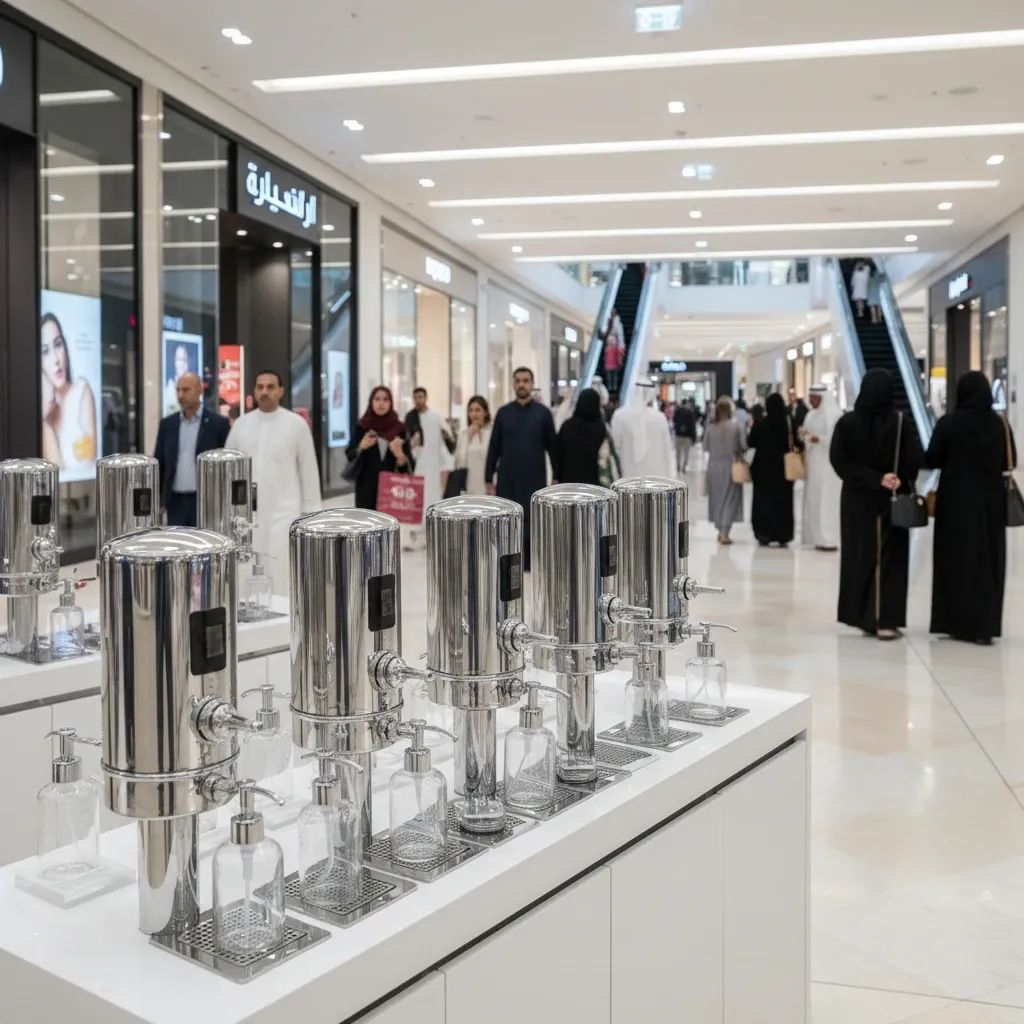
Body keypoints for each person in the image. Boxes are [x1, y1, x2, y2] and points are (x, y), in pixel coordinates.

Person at [830, 368, 923, 640]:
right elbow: (913, 459)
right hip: (889, 500)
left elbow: (840, 461)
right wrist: (895, 478)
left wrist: (871, 478)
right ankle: (886, 621)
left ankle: (861, 615)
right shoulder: (900, 422)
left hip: (856, 502)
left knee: (859, 555)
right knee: (890, 558)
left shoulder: (847, 423)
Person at [927, 371, 1017, 645]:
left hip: (954, 503)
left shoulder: (949, 423)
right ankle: (984, 626)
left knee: (954, 560)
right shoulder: (1000, 424)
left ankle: (954, 621)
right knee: (988, 561)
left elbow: (933, 458)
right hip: (990, 503)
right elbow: (1008, 462)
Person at [226, 370, 322, 594]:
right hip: (248, 514)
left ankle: (283, 619)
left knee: (281, 568)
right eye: (260, 387)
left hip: (285, 511)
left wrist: (311, 512)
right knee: (247, 569)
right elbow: (228, 468)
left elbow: (308, 469)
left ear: (281, 391)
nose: (264, 392)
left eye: (270, 387)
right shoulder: (241, 425)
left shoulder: (296, 424)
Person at [485, 367, 558, 571]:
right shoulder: (503, 413)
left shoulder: (543, 414)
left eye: (525, 381)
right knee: (506, 519)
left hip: (534, 476)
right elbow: (494, 447)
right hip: (507, 477)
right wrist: (488, 478)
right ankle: (507, 561)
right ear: (513, 384)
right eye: (518, 381)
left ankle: (530, 563)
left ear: (531, 383)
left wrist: (557, 476)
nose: (521, 384)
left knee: (531, 520)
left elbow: (553, 447)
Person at [153, 372, 230, 526]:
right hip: (175, 500)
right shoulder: (168, 425)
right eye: (178, 390)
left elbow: (226, 464)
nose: (181, 395)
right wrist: (158, 500)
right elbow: (159, 462)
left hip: (205, 500)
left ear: (199, 390)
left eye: (186, 390)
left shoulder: (217, 424)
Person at [40, 312, 98, 475]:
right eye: (45, 352)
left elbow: (87, 462)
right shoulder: (42, 408)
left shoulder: (81, 391)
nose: (56, 359)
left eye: (58, 344)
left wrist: (47, 424)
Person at [347, 386, 414, 511]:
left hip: (393, 490)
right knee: (367, 526)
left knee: (390, 527)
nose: (381, 403)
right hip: (366, 488)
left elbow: (409, 466)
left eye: (385, 399)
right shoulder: (362, 427)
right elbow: (350, 454)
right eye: (377, 399)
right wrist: (362, 446)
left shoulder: (400, 430)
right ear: (371, 402)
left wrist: (400, 455)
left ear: (391, 403)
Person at [404, 387, 453, 548]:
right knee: (416, 498)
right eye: (416, 397)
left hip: (433, 465)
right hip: (417, 465)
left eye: (421, 397)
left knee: (432, 496)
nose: (418, 400)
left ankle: (430, 534)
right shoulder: (410, 418)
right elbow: (407, 441)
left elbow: (447, 437)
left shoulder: (435, 417)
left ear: (426, 398)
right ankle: (413, 535)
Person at [748, 393, 797, 546]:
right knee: (783, 503)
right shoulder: (788, 423)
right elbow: (797, 442)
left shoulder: (761, 423)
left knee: (763, 502)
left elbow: (751, 442)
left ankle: (764, 533)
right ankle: (783, 534)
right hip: (783, 470)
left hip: (762, 470)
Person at [801, 386, 842, 551]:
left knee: (827, 500)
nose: (811, 401)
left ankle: (829, 539)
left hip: (827, 465)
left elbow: (835, 440)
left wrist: (819, 439)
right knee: (814, 499)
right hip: (813, 462)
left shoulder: (833, 415)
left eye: (814, 397)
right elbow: (806, 435)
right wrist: (805, 436)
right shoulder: (810, 414)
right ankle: (816, 537)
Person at [611, 383, 676, 479]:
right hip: (656, 477)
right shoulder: (659, 418)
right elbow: (667, 450)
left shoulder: (619, 416)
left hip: (628, 477)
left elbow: (615, 447)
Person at [705, 395, 746, 544]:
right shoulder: (736, 426)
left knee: (717, 498)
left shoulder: (710, 427)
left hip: (714, 466)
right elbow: (743, 445)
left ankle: (719, 528)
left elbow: (705, 447)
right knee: (730, 498)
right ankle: (725, 532)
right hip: (731, 465)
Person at [557, 388, 615, 485]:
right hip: (593, 485)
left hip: (568, 483)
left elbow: (558, 454)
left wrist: (557, 476)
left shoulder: (567, 426)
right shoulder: (601, 428)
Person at [453, 395, 492, 495]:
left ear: (485, 412)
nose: (474, 414)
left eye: (478, 410)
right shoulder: (463, 433)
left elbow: (492, 461)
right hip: (468, 488)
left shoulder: (491, 432)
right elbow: (460, 463)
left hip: (488, 488)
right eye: (470, 410)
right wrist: (468, 437)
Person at [163, 342, 194, 415]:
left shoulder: (196, 390)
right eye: (179, 359)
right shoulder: (168, 390)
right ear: (174, 362)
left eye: (184, 359)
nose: (182, 363)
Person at [603, 308, 626, 393]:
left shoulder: (617, 323)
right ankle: (611, 387)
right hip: (610, 365)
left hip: (613, 364)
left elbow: (619, 335)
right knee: (610, 377)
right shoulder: (608, 349)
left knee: (614, 376)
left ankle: (613, 387)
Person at [673, 400, 697, 473]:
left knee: (678, 452)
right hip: (687, 436)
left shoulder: (677, 412)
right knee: (686, 452)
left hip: (678, 435)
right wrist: (694, 437)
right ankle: (685, 465)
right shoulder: (690, 413)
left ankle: (678, 465)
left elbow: (674, 421)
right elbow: (693, 426)